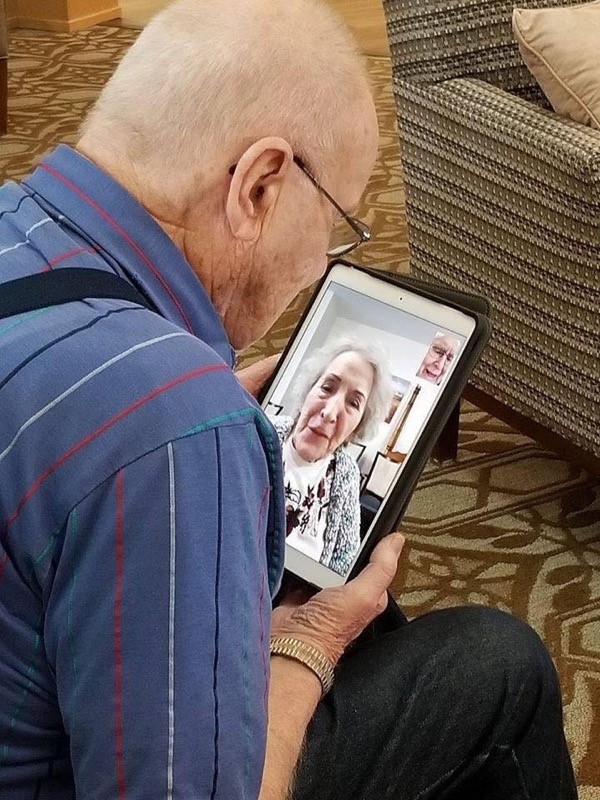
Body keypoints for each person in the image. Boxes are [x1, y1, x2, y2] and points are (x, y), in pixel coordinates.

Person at [0, 1, 577, 799]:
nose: (318, 268)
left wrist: (184, 430)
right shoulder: (171, 425)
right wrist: (309, 643)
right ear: (260, 186)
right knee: (498, 665)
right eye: (338, 225)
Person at [271, 339, 393, 575]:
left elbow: (345, 562)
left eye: (353, 403)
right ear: (308, 391)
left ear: (357, 427)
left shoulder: (347, 474)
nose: (329, 413)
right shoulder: (259, 432)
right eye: (327, 387)